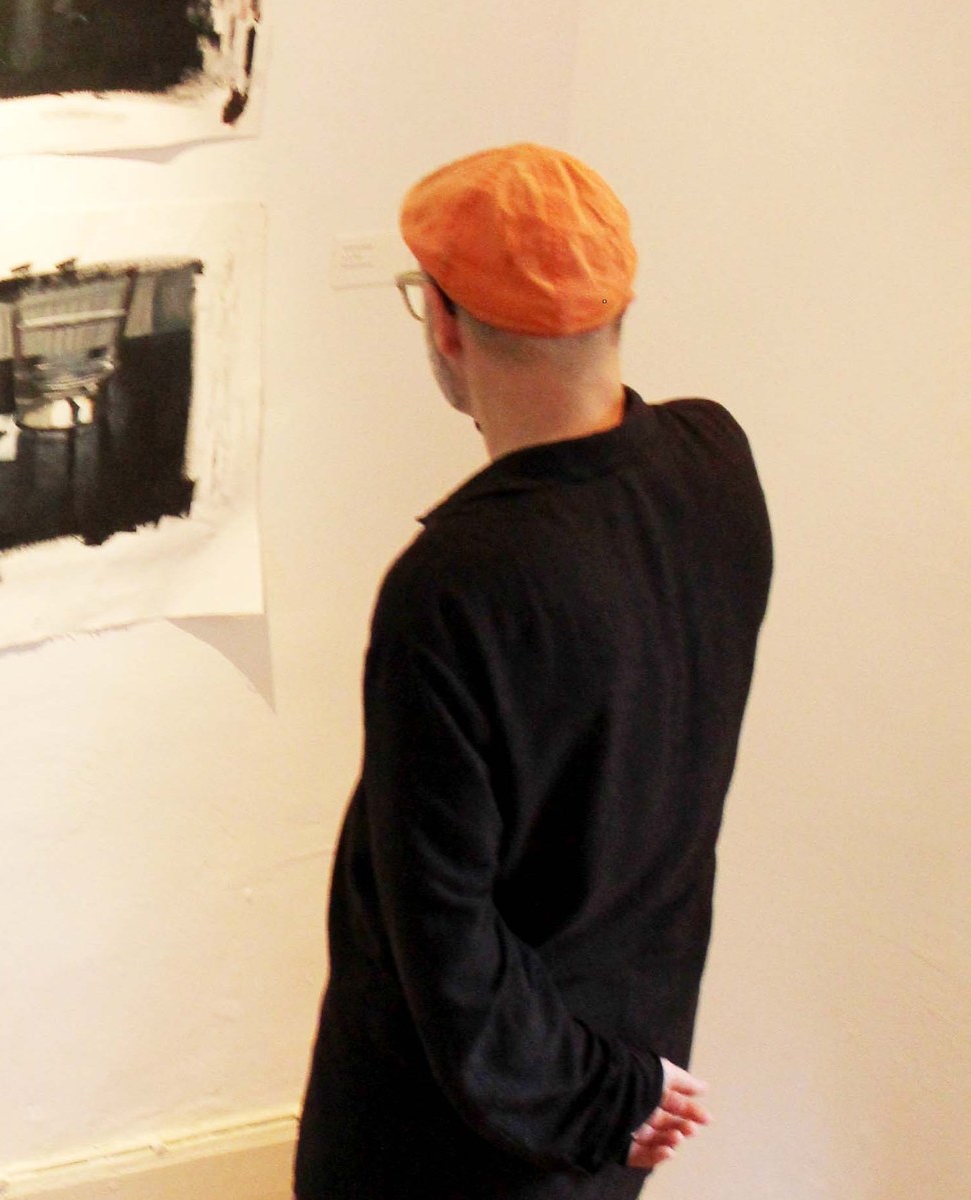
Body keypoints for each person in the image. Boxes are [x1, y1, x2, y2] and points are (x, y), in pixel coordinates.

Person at [295, 144, 773, 1199]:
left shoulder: (454, 587)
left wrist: (597, 1094)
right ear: (618, 303)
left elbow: (446, 940)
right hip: (627, 1063)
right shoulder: (715, 461)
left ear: (445, 323)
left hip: (465, 1127)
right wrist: (618, 1093)